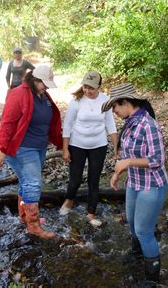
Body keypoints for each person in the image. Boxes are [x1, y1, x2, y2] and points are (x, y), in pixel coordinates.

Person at [102, 83, 168, 283]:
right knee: (132, 224)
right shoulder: (130, 122)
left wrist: (128, 162)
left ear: (125, 103)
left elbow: (158, 160)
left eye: (115, 107)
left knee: (143, 231)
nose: (114, 111)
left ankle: (152, 278)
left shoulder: (148, 124)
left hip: (152, 185)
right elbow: (127, 154)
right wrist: (117, 174)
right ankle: (138, 255)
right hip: (134, 183)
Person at [0, 65, 63, 239]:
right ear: (34, 80)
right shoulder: (19, 94)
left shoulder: (42, 95)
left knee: (26, 182)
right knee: (33, 183)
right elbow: (7, 123)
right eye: (44, 84)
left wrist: (59, 142)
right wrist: (2, 148)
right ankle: (33, 225)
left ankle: (24, 216)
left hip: (39, 146)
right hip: (22, 147)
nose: (46, 87)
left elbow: (50, 121)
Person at [59, 71, 118, 227]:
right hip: (77, 144)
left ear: (99, 86)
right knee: (75, 179)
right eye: (85, 87)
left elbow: (110, 124)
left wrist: (116, 147)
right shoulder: (76, 101)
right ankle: (69, 200)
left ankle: (91, 214)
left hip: (98, 145)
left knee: (94, 180)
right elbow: (67, 126)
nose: (87, 91)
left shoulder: (105, 100)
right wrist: (65, 149)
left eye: (91, 88)